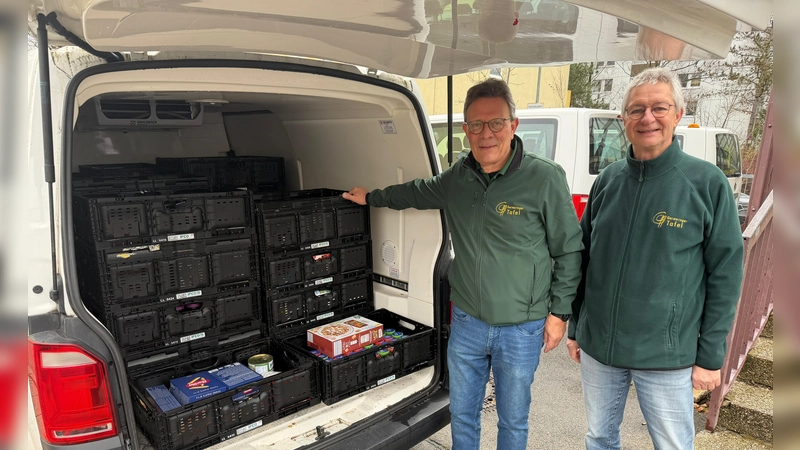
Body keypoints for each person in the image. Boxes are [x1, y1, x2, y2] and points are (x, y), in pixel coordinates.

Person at [343, 78, 582, 450]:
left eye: (496, 123)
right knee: (463, 413)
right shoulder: (458, 177)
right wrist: (371, 196)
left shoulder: (544, 177)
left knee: (513, 420)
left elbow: (569, 250)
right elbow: (416, 191)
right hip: (468, 322)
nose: (486, 133)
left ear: (513, 125)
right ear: (466, 129)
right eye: (475, 124)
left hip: (521, 327)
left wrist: (559, 314)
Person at [566, 67, 745, 450]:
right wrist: (577, 326)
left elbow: (725, 274)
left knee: (673, 445)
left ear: (678, 115)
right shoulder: (607, 180)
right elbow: (583, 258)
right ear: (623, 120)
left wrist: (710, 356)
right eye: (636, 109)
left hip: (666, 355)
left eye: (659, 108)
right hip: (600, 349)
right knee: (599, 437)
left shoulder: (706, 183)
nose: (647, 118)